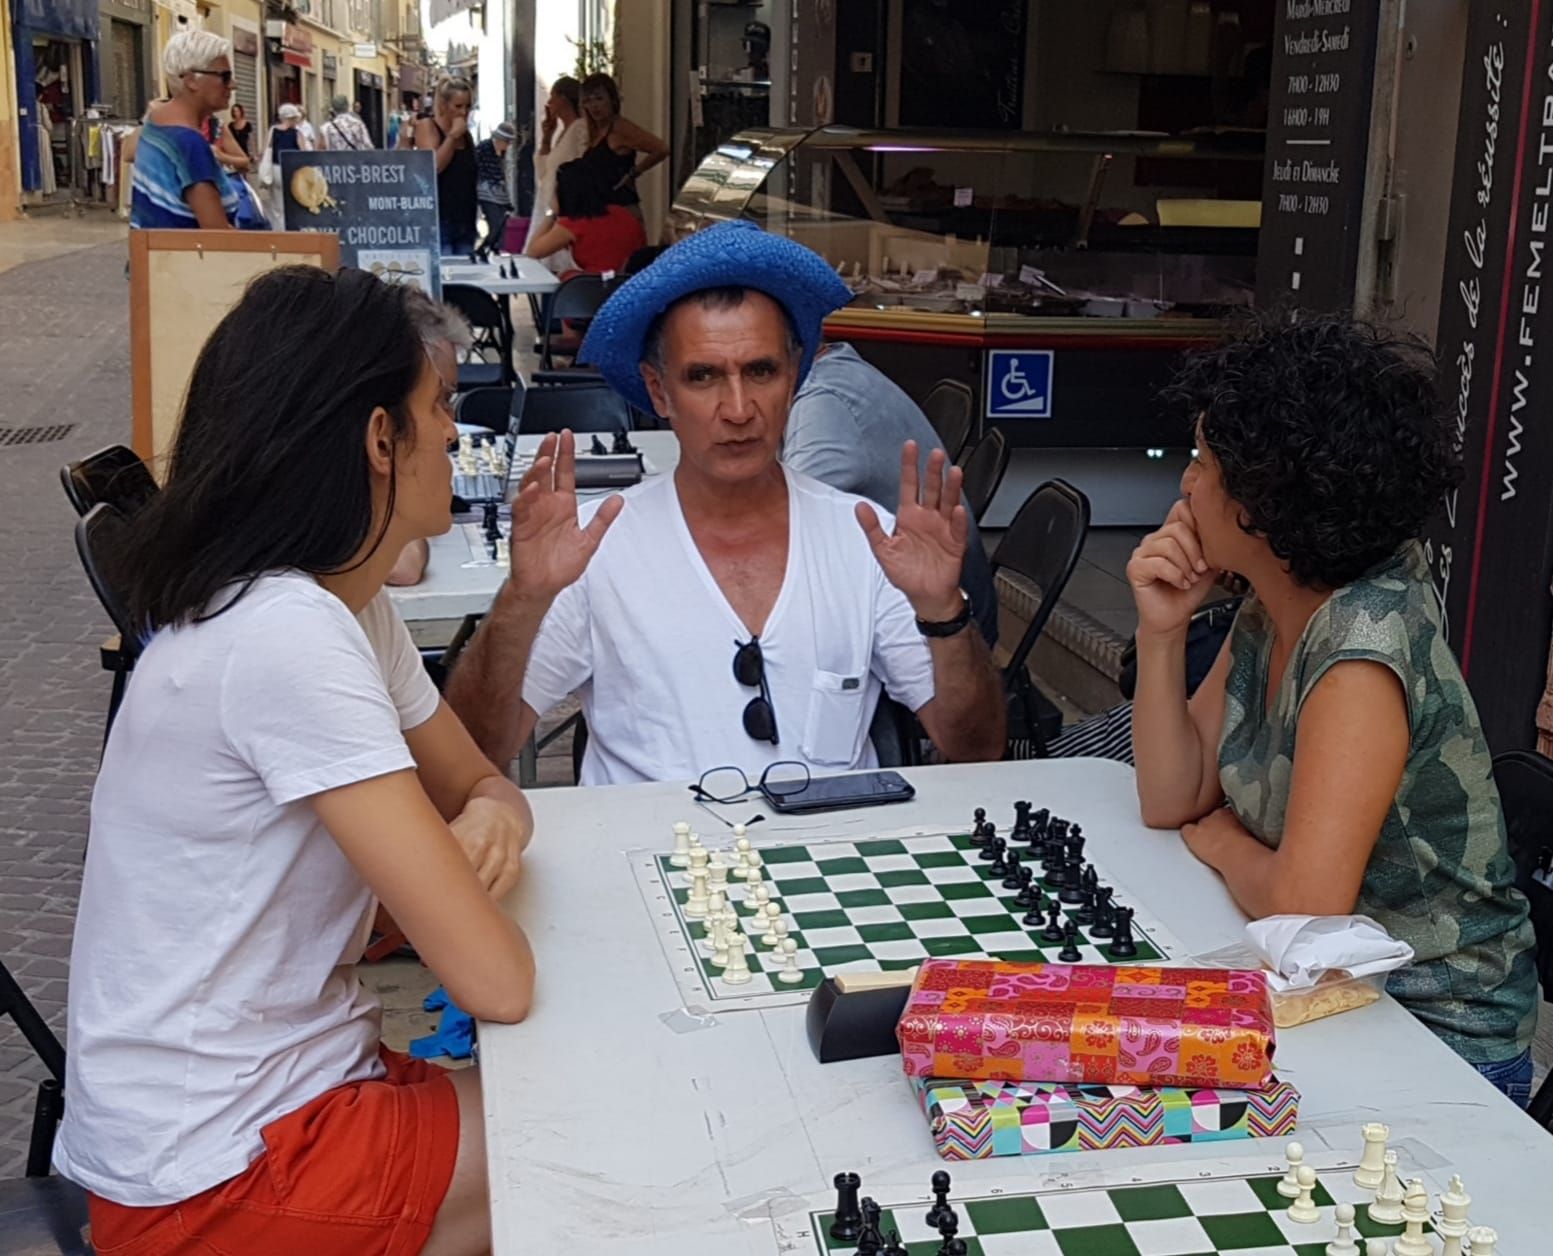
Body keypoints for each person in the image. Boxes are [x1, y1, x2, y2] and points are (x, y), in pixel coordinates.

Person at [54, 268, 534, 1253]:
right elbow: (496, 978)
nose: (454, 433)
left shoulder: (332, 602)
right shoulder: (287, 634)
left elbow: (483, 786)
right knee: (612, 1123)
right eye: (437, 406)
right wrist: (481, 829)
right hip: (210, 1174)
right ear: (377, 439)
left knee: (581, 1096)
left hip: (268, 1097)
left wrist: (493, 813)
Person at [1128, 314, 1538, 1100]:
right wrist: (1161, 631)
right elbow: (1171, 797)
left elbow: (1304, 908)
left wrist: (1223, 841)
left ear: (1261, 500)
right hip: (1326, 997)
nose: (1185, 484)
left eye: (1203, 462)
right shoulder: (1275, 597)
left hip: (1435, 1039)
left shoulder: (1359, 654)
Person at [446, 221, 1005, 785]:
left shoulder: (864, 539)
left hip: (833, 837)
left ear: (794, 379)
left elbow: (976, 747)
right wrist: (521, 600)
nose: (738, 410)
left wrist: (944, 612)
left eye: (761, 371)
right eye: (704, 377)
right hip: (650, 839)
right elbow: (475, 752)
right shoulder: (595, 548)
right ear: (659, 391)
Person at [783, 341, 997, 647]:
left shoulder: (824, 400)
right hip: (933, 606)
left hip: (949, 631)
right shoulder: (839, 368)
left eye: (756, 369)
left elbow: (783, 521)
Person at [130, 32, 244, 230]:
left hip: (152, 249)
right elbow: (217, 234)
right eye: (225, 77)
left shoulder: (155, 120)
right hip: (183, 250)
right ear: (191, 80)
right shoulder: (190, 143)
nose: (233, 85)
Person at [525, 158, 645, 275]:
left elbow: (533, 252)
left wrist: (551, 213)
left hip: (594, 283)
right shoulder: (625, 214)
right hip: (629, 279)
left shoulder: (572, 224)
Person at [576, 72, 668, 220]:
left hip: (622, 210)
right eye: (588, 101)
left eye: (599, 98)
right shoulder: (596, 131)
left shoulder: (619, 127)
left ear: (612, 99)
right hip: (601, 211)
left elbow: (661, 148)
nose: (594, 106)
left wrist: (635, 172)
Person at [526, 76, 588, 268]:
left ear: (563, 98)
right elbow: (543, 173)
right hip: (549, 204)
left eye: (553, 96)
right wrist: (547, 136)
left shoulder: (580, 128)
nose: (549, 102)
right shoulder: (563, 132)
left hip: (565, 206)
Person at [416, 77, 478, 255]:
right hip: (439, 220)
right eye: (458, 106)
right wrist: (452, 137)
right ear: (443, 105)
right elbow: (433, 168)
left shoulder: (466, 135)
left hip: (465, 219)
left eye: (468, 106)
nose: (463, 112)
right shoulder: (428, 126)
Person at [259, 102, 310, 225]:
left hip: (275, 169)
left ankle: (279, 227)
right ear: (292, 118)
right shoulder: (297, 133)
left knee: (277, 204)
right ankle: (292, 227)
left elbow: (265, 149)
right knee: (292, 202)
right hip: (292, 170)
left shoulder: (273, 130)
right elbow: (303, 153)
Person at [475, 120, 516, 254]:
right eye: (507, 142)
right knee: (495, 223)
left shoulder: (501, 153)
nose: (508, 145)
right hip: (485, 192)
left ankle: (494, 249)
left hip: (498, 193)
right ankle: (483, 249)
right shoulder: (483, 148)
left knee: (501, 224)